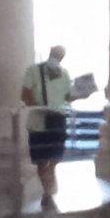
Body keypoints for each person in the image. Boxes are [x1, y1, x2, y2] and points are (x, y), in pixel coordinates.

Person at [22, 45, 76, 206]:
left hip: (57, 119)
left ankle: (48, 189)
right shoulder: (34, 70)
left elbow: (68, 96)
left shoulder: (64, 73)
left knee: (52, 157)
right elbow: (25, 94)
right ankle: (48, 190)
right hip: (40, 121)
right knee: (42, 158)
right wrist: (40, 108)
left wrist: (82, 92)